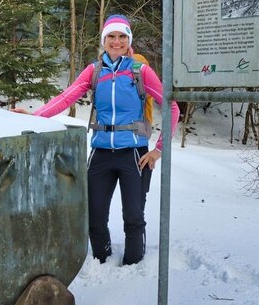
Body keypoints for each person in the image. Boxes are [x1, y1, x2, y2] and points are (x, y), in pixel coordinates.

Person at [20, 14, 179, 265]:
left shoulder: (141, 71)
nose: (117, 42)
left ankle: (134, 265)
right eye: (111, 37)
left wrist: (158, 150)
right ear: (104, 40)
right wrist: (32, 117)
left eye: (122, 36)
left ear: (129, 40)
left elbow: (172, 109)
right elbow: (65, 98)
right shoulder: (94, 71)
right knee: (94, 216)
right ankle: (101, 261)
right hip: (101, 152)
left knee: (133, 216)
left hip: (134, 153)